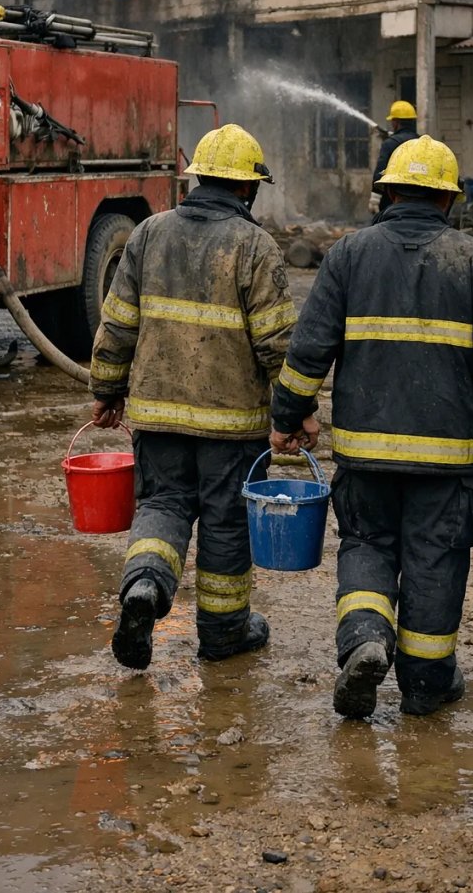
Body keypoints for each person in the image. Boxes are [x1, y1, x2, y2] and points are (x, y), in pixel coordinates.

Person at [270, 135, 473, 718]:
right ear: (447, 201)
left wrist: (286, 419)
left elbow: (308, 350)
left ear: (387, 193)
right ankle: (424, 686)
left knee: (366, 546)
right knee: (436, 562)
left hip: (365, 458)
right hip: (444, 465)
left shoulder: (348, 255)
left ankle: (365, 640)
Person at [89, 124, 297, 669]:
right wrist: (298, 413)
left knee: (162, 507)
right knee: (227, 524)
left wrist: (107, 389)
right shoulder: (255, 246)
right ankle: (224, 634)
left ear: (198, 178)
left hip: (158, 419)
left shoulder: (149, 234)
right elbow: (279, 344)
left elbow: (117, 324)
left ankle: (144, 589)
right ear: (248, 189)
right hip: (233, 428)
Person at [368, 100, 418, 217]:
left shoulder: (389, 144)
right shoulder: (421, 142)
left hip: (392, 199)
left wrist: (375, 197)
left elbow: (380, 172)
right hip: (417, 198)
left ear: (395, 122)